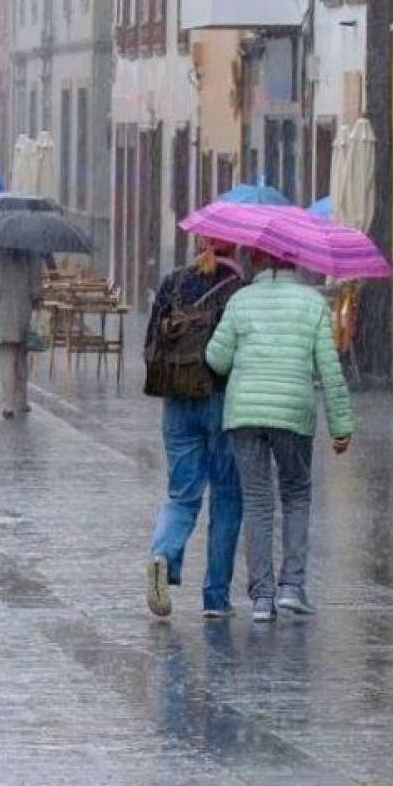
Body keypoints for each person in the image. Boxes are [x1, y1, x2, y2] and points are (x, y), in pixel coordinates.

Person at [205, 251, 354, 622]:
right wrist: (341, 426)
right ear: (297, 262)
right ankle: (292, 587)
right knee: (296, 493)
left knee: (257, 501)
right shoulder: (312, 303)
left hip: (244, 413)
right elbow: (329, 369)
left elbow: (216, 359)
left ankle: (261, 597)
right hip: (292, 411)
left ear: (256, 260)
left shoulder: (240, 300)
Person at [142, 237, 245, 619]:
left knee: (182, 495)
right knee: (227, 498)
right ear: (235, 249)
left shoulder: (173, 283)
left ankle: (162, 554)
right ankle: (216, 598)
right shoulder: (239, 291)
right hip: (221, 401)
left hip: (176, 401)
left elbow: (151, 344)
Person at [0, 247, 44, 418]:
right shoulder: (32, 253)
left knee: (7, 359)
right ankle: (22, 400)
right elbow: (36, 288)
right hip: (23, 310)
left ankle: (8, 405)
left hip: (1, 311)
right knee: (21, 356)